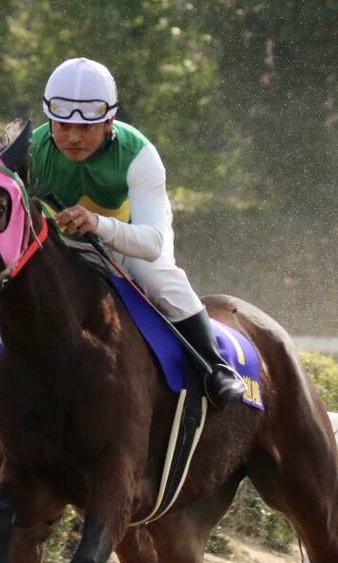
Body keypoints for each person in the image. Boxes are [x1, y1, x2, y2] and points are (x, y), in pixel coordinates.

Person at [27, 57, 246, 408]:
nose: (73, 137)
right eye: (62, 125)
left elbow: (152, 243)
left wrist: (98, 224)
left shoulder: (140, 154)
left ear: (110, 120)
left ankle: (215, 367)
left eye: (87, 128)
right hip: (62, 246)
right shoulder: (31, 150)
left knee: (156, 275)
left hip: (130, 240)